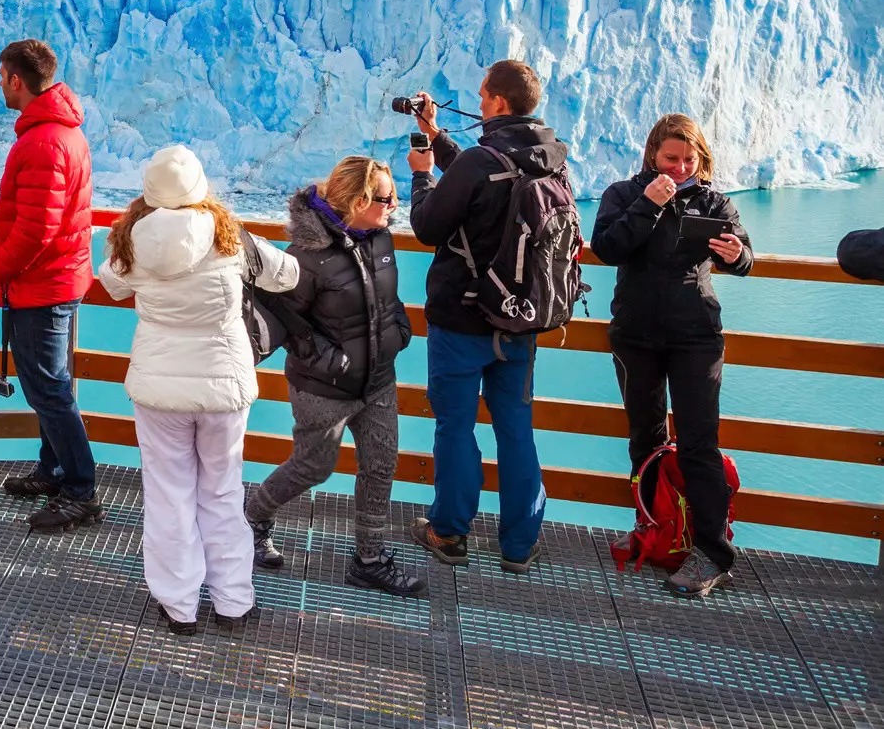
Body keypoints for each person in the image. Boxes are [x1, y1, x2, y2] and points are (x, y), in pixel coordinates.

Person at [98, 145, 297, 635]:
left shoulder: (133, 244)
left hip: (159, 390)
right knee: (223, 492)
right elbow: (287, 276)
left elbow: (112, 285)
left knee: (169, 495)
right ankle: (233, 602)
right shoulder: (232, 238)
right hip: (223, 387)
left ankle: (180, 604)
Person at [405, 59, 567, 572]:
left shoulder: (480, 162)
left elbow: (429, 225)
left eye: (481, 96)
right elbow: (488, 178)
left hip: (462, 322)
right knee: (516, 427)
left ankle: (450, 533)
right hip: (520, 319)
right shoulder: (552, 159)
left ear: (498, 102)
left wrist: (423, 176)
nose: (477, 104)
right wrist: (439, 134)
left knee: (455, 427)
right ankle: (519, 545)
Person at [244, 157, 424, 597]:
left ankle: (370, 560)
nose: (393, 206)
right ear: (358, 201)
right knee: (313, 466)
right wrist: (333, 362)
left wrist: (398, 332)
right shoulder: (306, 255)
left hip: (378, 378)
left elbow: (387, 298)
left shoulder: (379, 237)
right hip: (323, 387)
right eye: (385, 198)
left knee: (380, 466)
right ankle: (251, 517)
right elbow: (284, 318)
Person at [592, 113, 754, 598]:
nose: (682, 167)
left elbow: (747, 258)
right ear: (652, 156)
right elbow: (606, 247)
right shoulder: (624, 195)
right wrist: (647, 204)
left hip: (695, 336)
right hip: (636, 335)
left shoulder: (714, 201)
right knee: (646, 437)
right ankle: (657, 530)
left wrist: (734, 255)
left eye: (690, 159)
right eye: (672, 158)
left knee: (699, 442)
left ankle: (711, 553)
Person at [0, 38, 100, 533]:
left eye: (1, 75)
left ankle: (79, 490)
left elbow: (37, 228)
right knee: (47, 385)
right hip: (55, 279)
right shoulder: (58, 133)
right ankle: (53, 470)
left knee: (49, 390)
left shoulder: (44, 141)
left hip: (43, 284)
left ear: (16, 79)